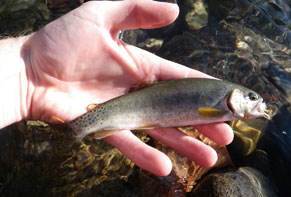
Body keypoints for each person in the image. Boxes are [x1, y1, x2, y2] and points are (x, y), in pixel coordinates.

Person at [0, 0, 233, 176]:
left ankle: (67, 135)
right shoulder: (221, 100)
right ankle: (69, 133)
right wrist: (28, 63)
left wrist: (27, 63)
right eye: (251, 98)